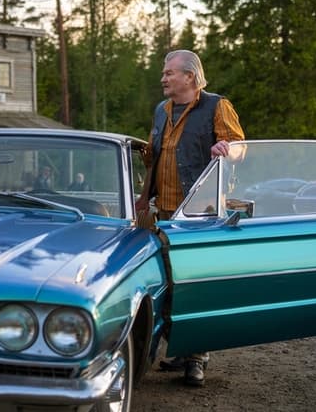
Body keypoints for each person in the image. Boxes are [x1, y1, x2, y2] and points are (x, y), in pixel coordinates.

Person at [135, 49, 244, 387]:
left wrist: (228, 150)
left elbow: (240, 146)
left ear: (190, 77)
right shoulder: (161, 110)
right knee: (169, 283)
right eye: (164, 73)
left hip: (201, 213)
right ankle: (181, 349)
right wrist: (143, 197)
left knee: (196, 284)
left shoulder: (216, 106)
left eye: (169, 73)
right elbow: (153, 158)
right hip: (165, 213)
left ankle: (197, 358)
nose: (163, 78)